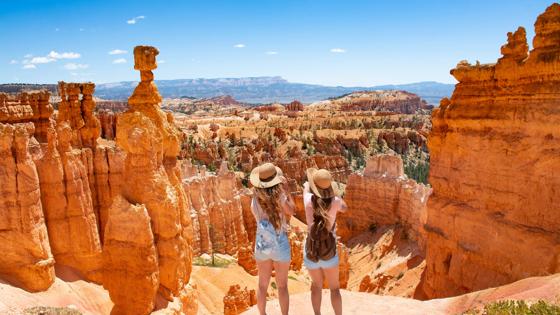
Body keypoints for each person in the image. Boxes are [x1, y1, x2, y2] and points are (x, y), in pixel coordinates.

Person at [250, 163, 295, 315]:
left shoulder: (255, 200)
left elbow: (257, 217)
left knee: (262, 285)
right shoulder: (280, 197)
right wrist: (288, 192)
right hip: (280, 244)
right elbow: (291, 210)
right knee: (282, 286)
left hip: (262, 244)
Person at [303, 168, 348, 315]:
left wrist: (306, 187)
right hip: (329, 251)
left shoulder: (307, 199)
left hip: (311, 250)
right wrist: (336, 195)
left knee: (316, 286)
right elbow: (345, 208)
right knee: (334, 289)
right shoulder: (336, 202)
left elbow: (306, 189)